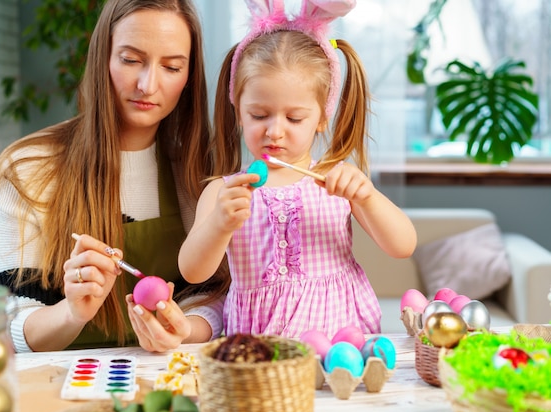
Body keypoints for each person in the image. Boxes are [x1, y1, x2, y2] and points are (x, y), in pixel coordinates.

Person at [0, 0, 229, 353]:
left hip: (169, 374)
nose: (147, 84)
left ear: (188, 78)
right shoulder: (27, 167)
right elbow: (10, 321)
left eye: (171, 67)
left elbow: (216, 294)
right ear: (102, 59)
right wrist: (71, 313)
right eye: (130, 60)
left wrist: (185, 329)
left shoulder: (197, 169)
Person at [178, 0, 417, 338]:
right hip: (258, 347)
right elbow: (192, 272)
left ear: (321, 118)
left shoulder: (337, 180)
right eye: (259, 115)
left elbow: (403, 246)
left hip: (339, 341)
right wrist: (220, 223)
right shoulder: (224, 191)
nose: (274, 131)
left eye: (294, 118)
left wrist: (367, 197)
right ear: (238, 111)